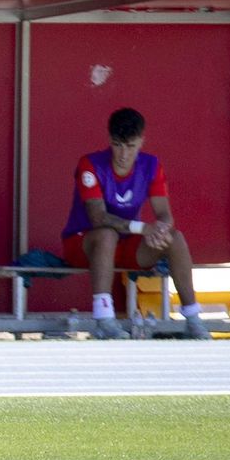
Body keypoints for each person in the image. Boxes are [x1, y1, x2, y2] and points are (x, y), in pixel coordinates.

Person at [61, 107, 210, 340]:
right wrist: (143, 228)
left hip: (125, 245)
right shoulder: (90, 164)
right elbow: (98, 218)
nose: (123, 154)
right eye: (117, 145)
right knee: (107, 234)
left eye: (130, 146)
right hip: (84, 245)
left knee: (175, 238)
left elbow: (165, 215)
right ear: (109, 140)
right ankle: (104, 320)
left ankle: (193, 319)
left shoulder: (151, 165)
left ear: (141, 141)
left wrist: (160, 230)